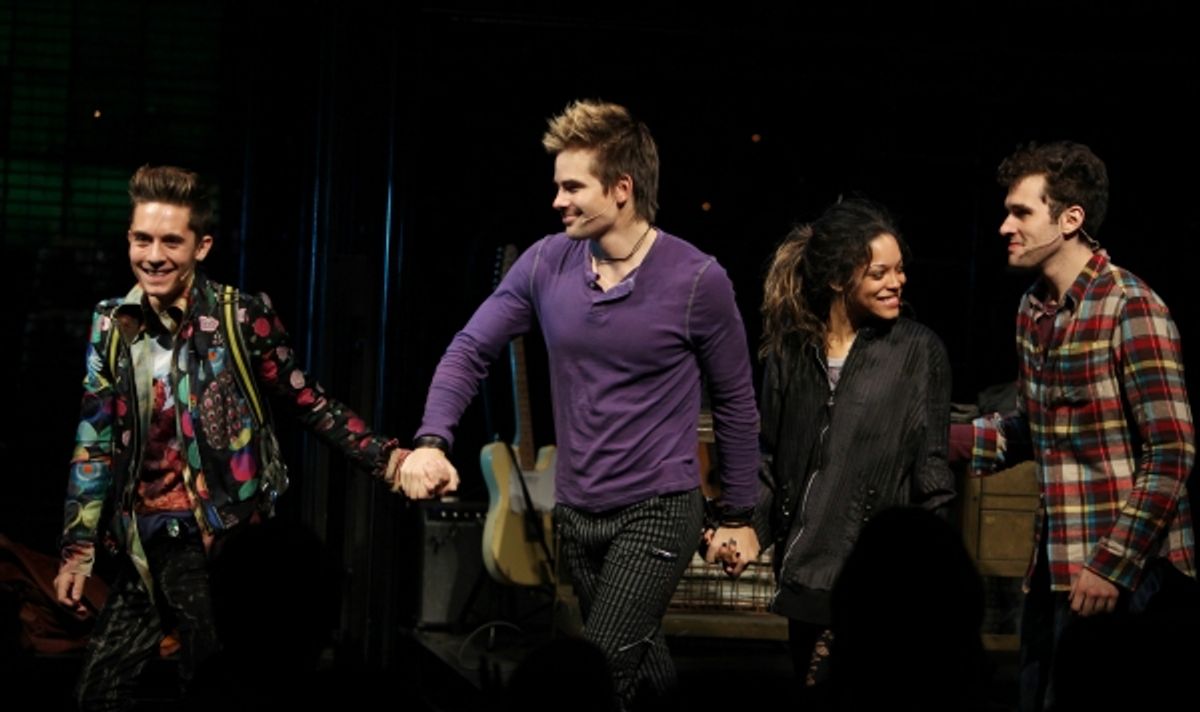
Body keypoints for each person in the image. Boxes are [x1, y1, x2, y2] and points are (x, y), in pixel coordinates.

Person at [397, 99, 760, 710]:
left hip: (657, 511)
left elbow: (735, 401)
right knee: (640, 670)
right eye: (557, 186)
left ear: (621, 189)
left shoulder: (698, 280)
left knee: (596, 677)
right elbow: (469, 349)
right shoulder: (546, 263)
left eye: (572, 186)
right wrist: (432, 439)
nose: (558, 200)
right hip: (576, 511)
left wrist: (739, 512)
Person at [54, 165, 408, 710]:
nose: (154, 255)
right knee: (97, 692)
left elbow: (309, 401)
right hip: (142, 544)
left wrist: (390, 459)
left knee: (216, 689)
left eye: (172, 241)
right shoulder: (111, 324)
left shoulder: (239, 317)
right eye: (142, 239)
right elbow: (93, 440)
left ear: (202, 246)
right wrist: (77, 552)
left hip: (216, 545)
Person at [966, 141, 1195, 711]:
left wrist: (1111, 566)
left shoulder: (1131, 307)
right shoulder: (1032, 310)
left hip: (1127, 576)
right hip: (1056, 568)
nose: (1004, 226)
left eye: (1021, 212)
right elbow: (1039, 429)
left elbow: (1172, 452)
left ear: (1071, 220)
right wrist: (943, 440)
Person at [742, 197, 954, 706]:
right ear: (839, 279)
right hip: (808, 572)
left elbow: (931, 468)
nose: (896, 282)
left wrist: (938, 572)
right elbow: (771, 458)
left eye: (900, 270)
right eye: (879, 272)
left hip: (883, 577)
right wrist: (751, 528)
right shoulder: (792, 351)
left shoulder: (919, 351)